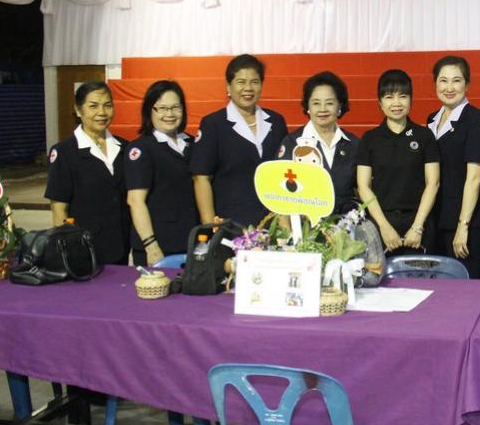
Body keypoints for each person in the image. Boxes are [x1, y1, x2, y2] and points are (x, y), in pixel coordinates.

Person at [190, 54, 288, 225]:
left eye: (254, 82)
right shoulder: (213, 124)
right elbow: (201, 178)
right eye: (241, 82)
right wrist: (210, 225)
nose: (248, 88)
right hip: (231, 225)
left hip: (272, 223)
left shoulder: (276, 121)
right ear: (229, 86)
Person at [45, 81, 131, 266]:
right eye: (93, 106)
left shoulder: (125, 148)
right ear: (78, 110)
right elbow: (59, 207)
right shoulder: (64, 152)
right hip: (84, 248)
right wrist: (68, 246)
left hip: (121, 245)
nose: (102, 112)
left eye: (107, 105)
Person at [356, 69, 440, 255]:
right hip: (381, 223)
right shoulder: (369, 139)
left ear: (411, 100)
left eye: (403, 96)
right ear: (380, 103)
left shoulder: (424, 136)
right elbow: (363, 186)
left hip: (419, 225)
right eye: (389, 97)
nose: (396, 103)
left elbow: (433, 183)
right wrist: (384, 227)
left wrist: (417, 227)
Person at [426, 55, 480, 278]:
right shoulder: (432, 120)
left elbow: (474, 179)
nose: (449, 87)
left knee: (465, 289)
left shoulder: (478, 120)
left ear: (467, 84)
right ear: (435, 84)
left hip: (465, 222)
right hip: (436, 219)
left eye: (456, 80)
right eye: (443, 81)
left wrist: (463, 226)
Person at [124, 80, 198, 266]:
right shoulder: (141, 148)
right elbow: (135, 201)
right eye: (162, 108)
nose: (170, 114)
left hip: (193, 241)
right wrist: (151, 246)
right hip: (160, 247)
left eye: (175, 108)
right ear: (150, 110)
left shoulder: (192, 144)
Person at [281, 71, 360, 214]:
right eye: (316, 103)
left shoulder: (353, 144)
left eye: (329, 103)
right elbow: (281, 192)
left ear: (339, 106)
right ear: (308, 107)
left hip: (347, 223)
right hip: (307, 224)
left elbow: (362, 189)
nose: (322, 109)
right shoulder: (292, 143)